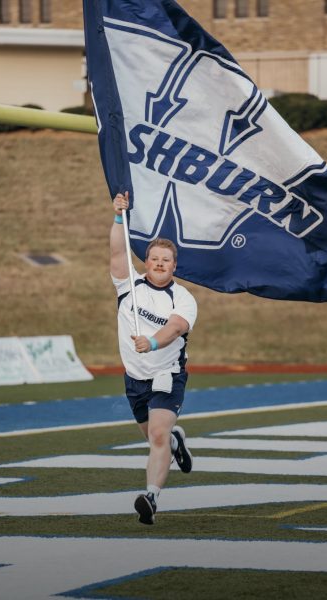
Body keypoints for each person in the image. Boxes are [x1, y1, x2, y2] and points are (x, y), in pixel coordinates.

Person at [110, 191, 198, 525]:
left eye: (166, 260)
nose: (160, 263)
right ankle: (177, 440)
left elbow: (175, 328)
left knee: (157, 437)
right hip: (135, 377)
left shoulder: (184, 298)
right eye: (154, 258)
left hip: (167, 373)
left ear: (174, 266)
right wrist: (119, 217)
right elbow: (117, 252)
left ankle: (151, 498)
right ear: (147, 262)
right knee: (154, 437)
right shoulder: (127, 286)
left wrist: (152, 342)